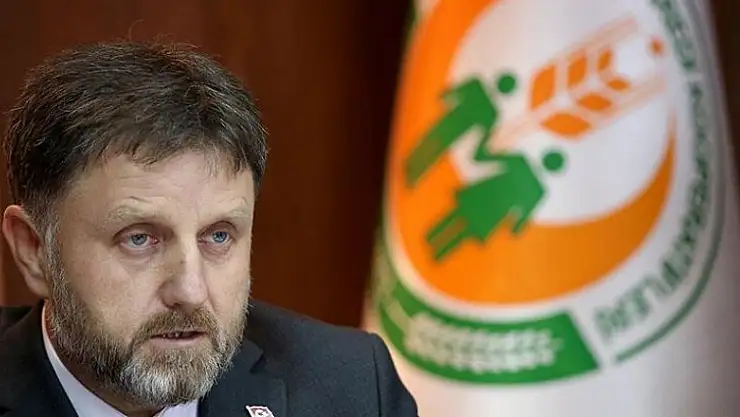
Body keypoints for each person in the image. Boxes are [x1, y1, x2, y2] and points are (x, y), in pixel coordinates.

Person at [0, 41, 418, 417]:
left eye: (218, 236)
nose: (190, 291)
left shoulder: (350, 386)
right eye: (139, 239)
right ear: (33, 248)